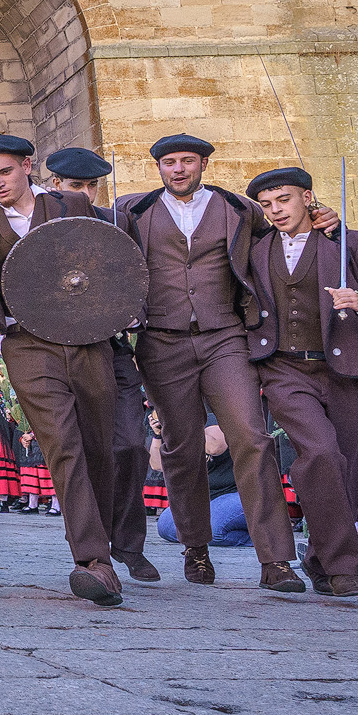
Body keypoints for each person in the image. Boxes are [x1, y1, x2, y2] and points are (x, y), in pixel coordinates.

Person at [0, 135, 127, 607]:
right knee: (62, 444)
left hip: (87, 339)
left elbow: (115, 248)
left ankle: (104, 542)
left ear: (28, 166)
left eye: (4, 173)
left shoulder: (71, 204)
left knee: (98, 447)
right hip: (25, 343)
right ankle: (92, 560)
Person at [113, 133, 298, 592]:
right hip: (160, 341)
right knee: (181, 446)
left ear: (204, 165)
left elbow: (286, 229)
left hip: (225, 338)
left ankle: (275, 561)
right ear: (158, 167)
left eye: (187, 161)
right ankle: (195, 547)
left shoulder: (240, 208)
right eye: (169, 162)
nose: (178, 169)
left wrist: (322, 217)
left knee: (252, 438)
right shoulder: (131, 212)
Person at [242, 166, 358, 598]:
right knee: (319, 451)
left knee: (348, 468)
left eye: (283, 200)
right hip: (283, 368)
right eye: (267, 205)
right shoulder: (255, 248)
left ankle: (319, 556)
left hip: (344, 369)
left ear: (307, 197)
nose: (276, 211)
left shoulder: (350, 243)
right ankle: (343, 568)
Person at [43, 147, 160, 584]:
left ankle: (128, 543)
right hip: (57, 351)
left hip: (112, 348)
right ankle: (93, 552)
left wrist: (135, 311)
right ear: (55, 185)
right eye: (76, 186)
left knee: (129, 444)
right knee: (78, 452)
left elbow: (138, 274)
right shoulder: (36, 223)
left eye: (92, 186)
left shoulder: (116, 219)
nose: (85, 194)